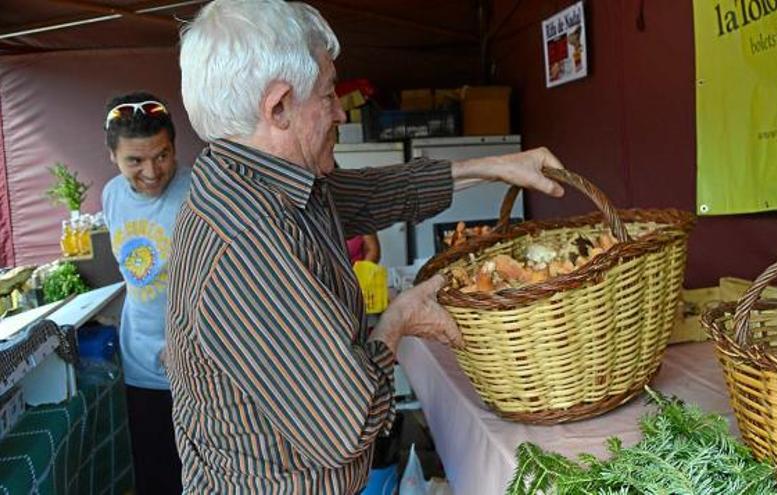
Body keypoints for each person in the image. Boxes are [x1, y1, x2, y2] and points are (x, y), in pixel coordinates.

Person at [166, 1, 565, 492]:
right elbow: (349, 425)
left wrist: (495, 165)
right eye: (329, 94)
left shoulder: (254, 179)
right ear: (278, 107)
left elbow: (379, 192)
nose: (339, 112)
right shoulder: (249, 237)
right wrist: (398, 320)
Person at [101, 91, 188, 494]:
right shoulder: (112, 195)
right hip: (138, 366)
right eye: (134, 161)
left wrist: (188, 342)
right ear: (113, 157)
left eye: (162, 155)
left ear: (174, 147)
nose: (152, 171)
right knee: (154, 478)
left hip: (194, 367)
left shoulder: (198, 194)